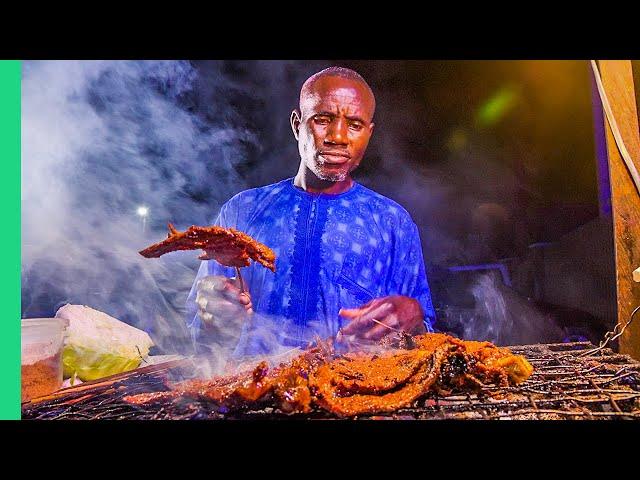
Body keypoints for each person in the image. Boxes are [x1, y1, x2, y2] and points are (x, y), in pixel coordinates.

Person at [186, 66, 436, 357]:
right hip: (250, 392)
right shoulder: (243, 211)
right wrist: (213, 317)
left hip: (355, 394)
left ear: (369, 133)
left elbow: (424, 341)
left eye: (354, 124)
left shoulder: (392, 222)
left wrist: (414, 315)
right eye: (323, 119)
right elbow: (200, 337)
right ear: (297, 124)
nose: (338, 136)